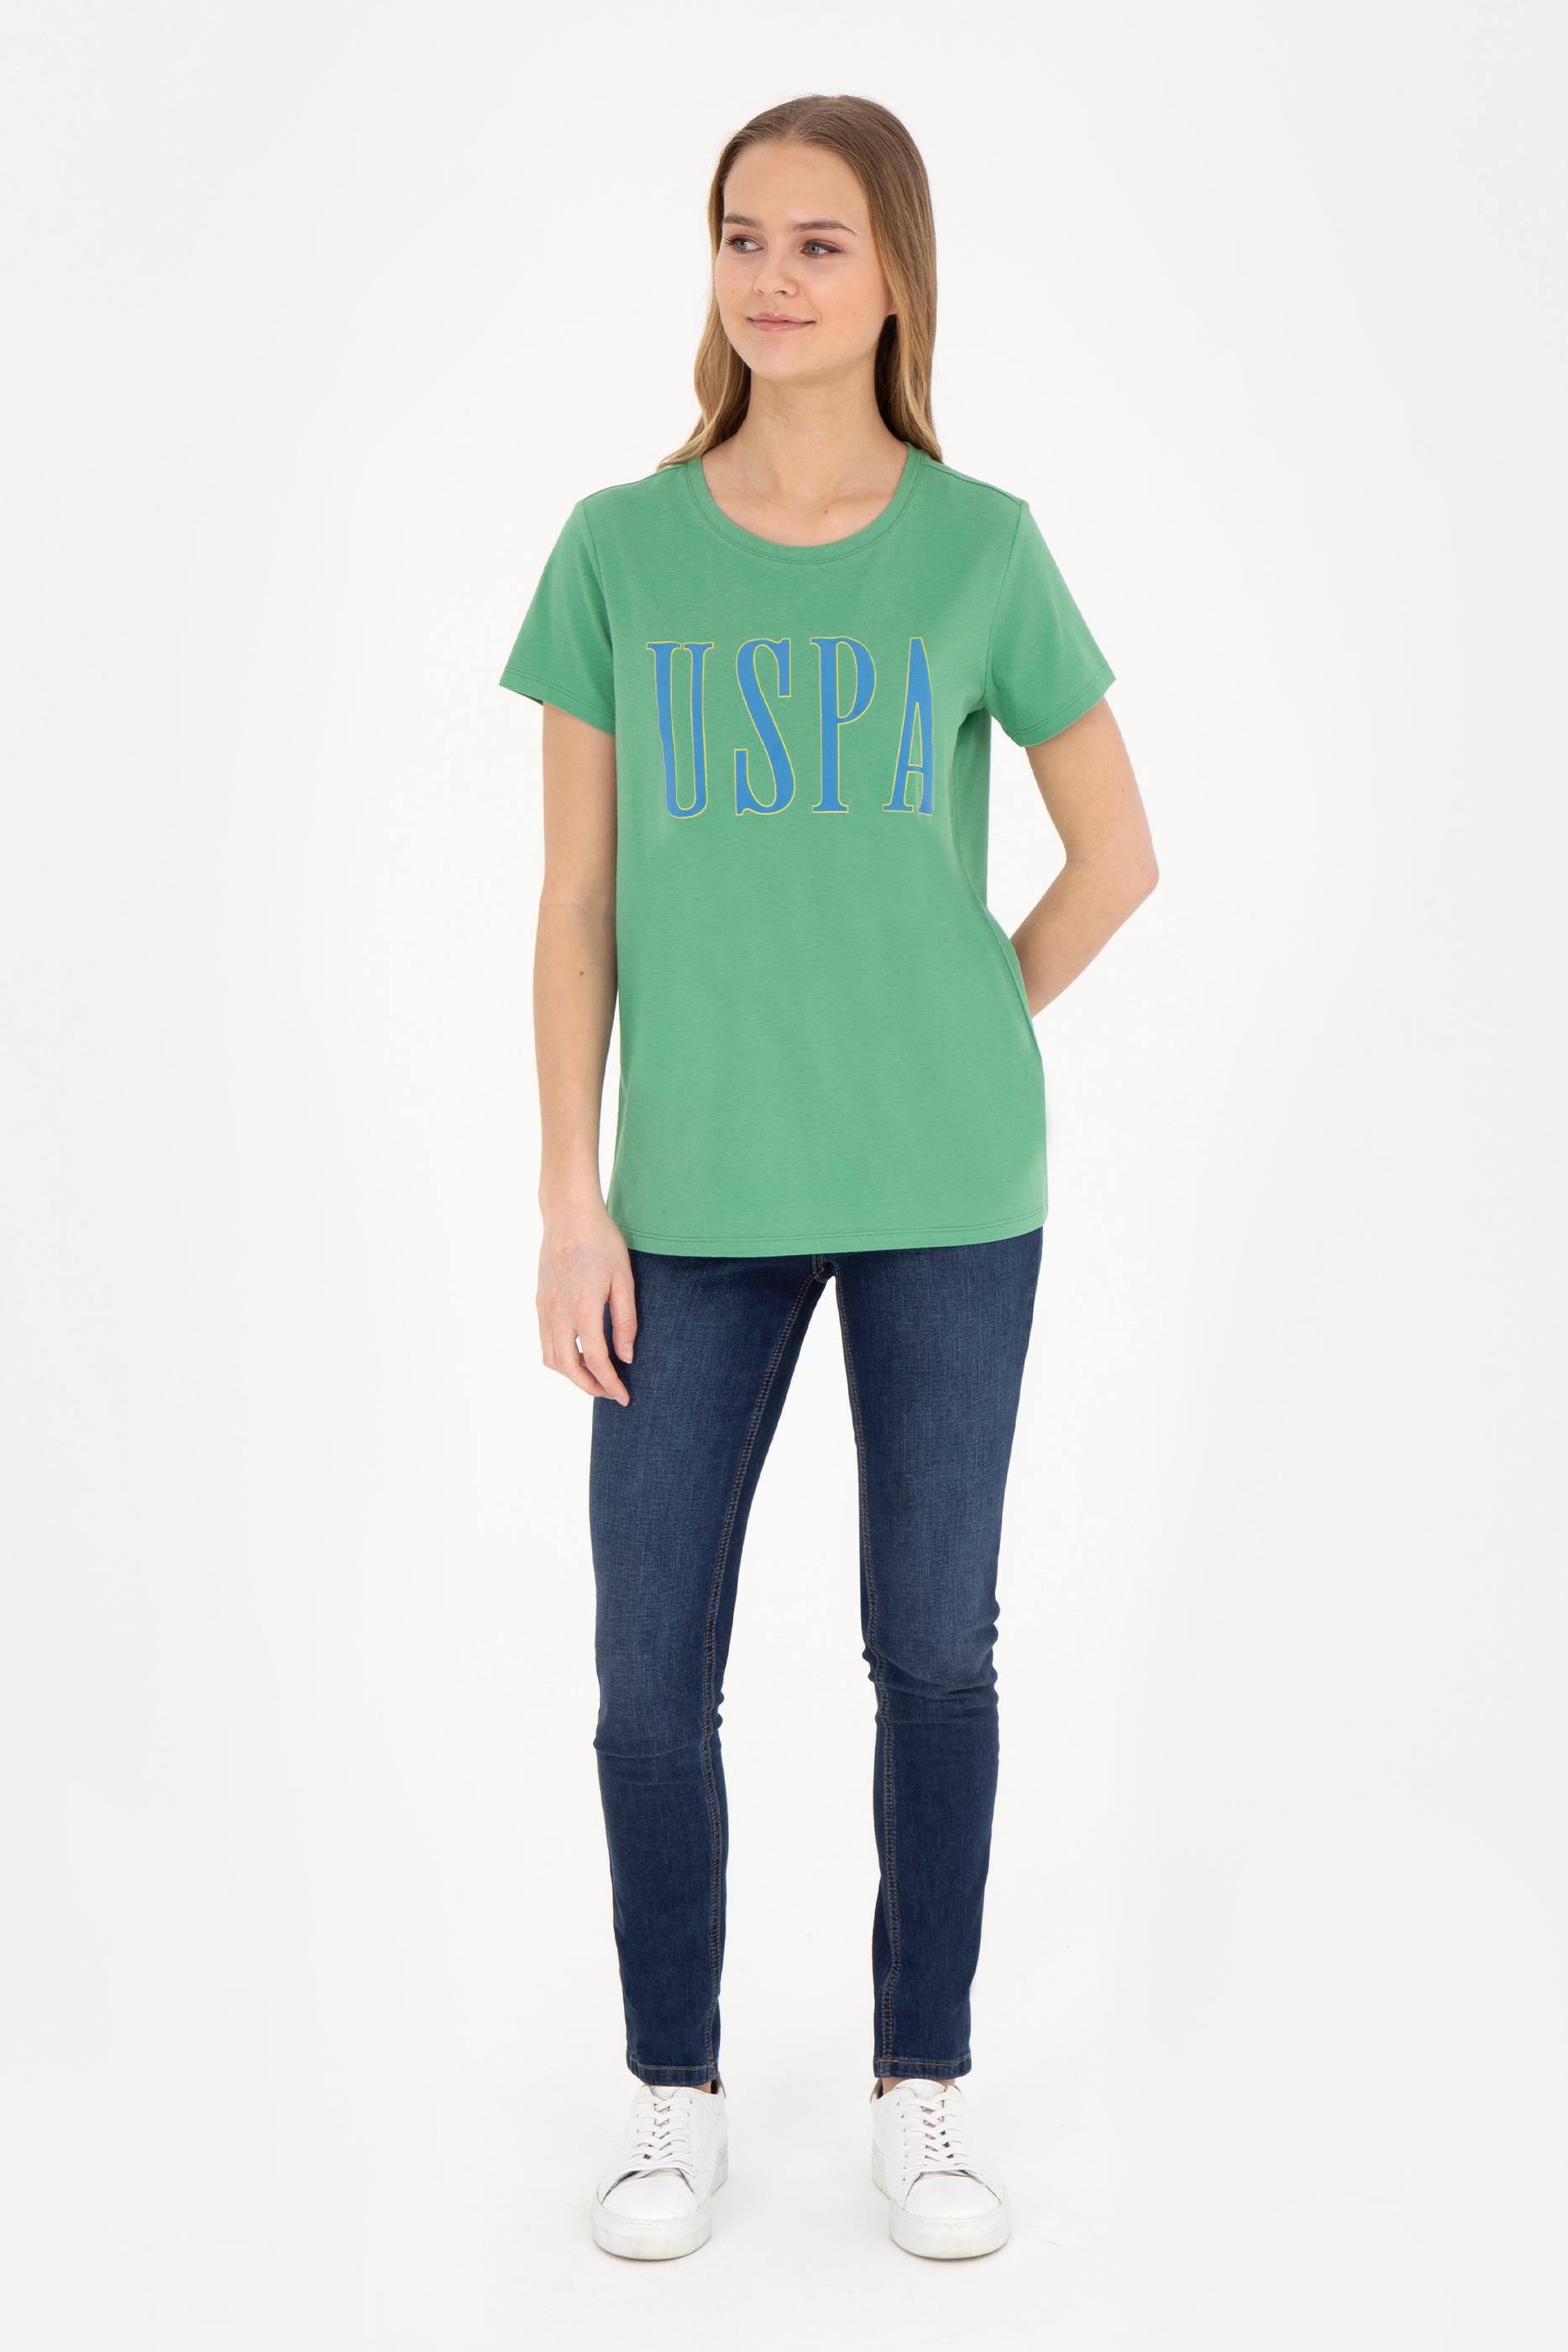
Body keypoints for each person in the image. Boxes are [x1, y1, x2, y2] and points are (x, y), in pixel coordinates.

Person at [497, 93, 1157, 2263]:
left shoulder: (980, 547)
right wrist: (569, 1193)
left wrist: (959, 1026)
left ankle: (920, 2088)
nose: (771, 279)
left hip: (949, 1190)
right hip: (686, 1205)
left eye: (818, 243)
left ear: (894, 278)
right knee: (644, 1672)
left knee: (933, 1650)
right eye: (740, 237)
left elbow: (1117, 855)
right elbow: (574, 902)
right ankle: (672, 2095)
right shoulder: (617, 548)